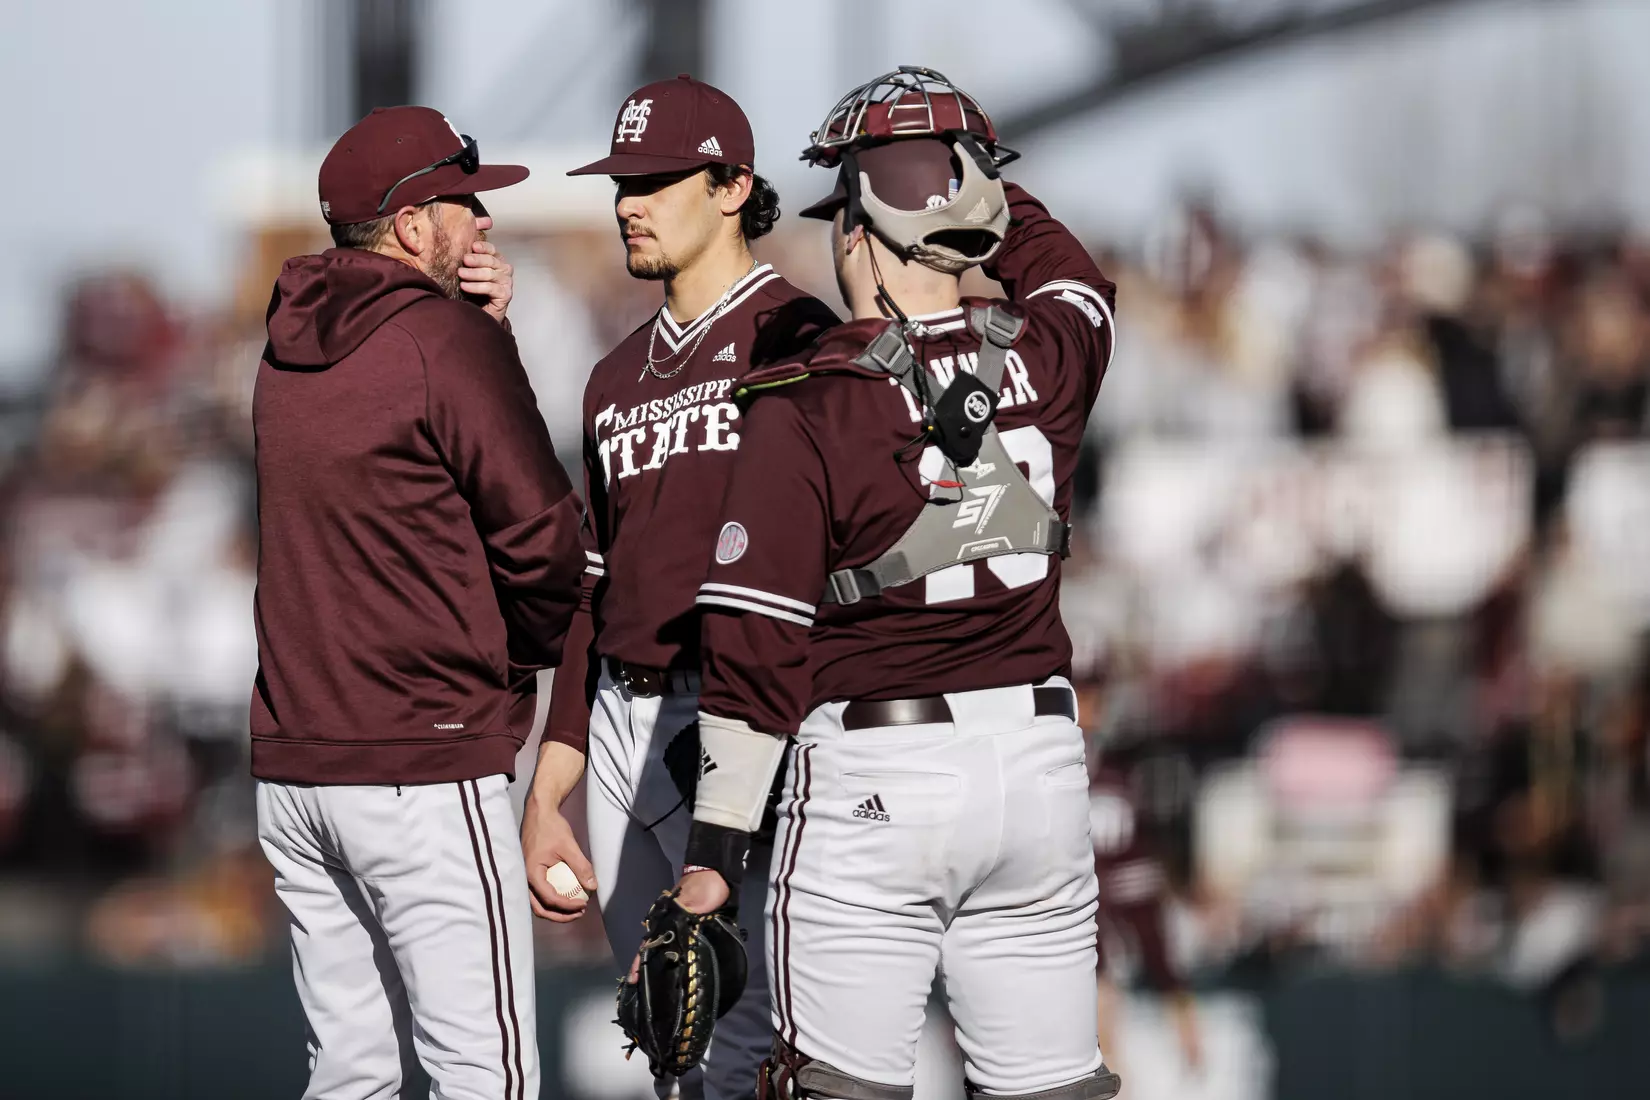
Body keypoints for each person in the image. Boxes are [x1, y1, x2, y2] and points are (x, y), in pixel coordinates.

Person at [655, 68, 1123, 1100]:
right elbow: (1077, 277)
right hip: (1038, 768)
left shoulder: (810, 398)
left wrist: (709, 862)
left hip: (878, 781)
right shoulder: (1054, 350)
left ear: (859, 232)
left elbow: (753, 652)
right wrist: (968, 169)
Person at [252, 105, 584, 1100]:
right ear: (407, 225)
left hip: (299, 765)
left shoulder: (278, 347)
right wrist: (520, 655)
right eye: (463, 206)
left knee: (347, 1073)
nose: (483, 224)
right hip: (424, 760)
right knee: (486, 1077)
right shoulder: (442, 335)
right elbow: (545, 535)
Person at [519, 75, 837, 1100]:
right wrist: (550, 783)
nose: (629, 201)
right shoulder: (612, 376)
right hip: (618, 713)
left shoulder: (799, 336)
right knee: (667, 1031)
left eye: (656, 180)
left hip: (737, 710)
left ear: (735, 183)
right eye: (623, 181)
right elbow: (589, 587)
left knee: (741, 1039)